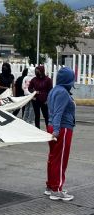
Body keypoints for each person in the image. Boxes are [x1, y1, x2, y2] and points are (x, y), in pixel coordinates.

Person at [44, 67, 76, 201]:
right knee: (61, 160)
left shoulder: (54, 90)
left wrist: (54, 129)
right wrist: (57, 131)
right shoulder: (63, 92)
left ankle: (51, 186)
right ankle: (57, 190)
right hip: (62, 129)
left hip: (53, 126)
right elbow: (58, 112)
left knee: (53, 158)